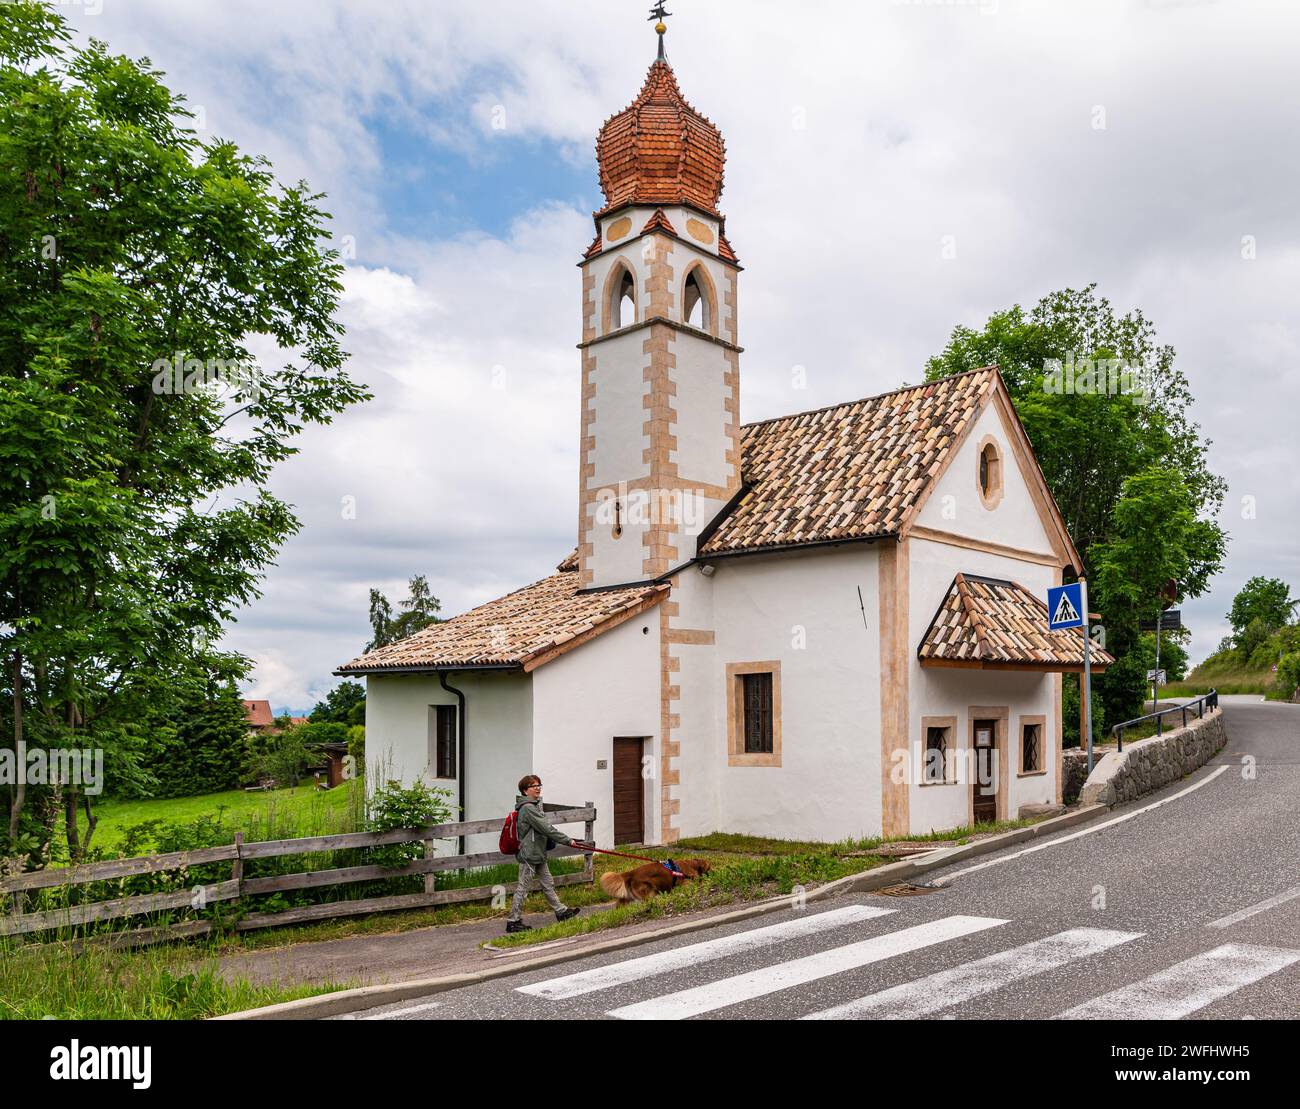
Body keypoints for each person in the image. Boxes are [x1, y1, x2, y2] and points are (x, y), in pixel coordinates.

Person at [505, 774, 591, 933]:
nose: (538, 788)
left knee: (548, 883)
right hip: (529, 855)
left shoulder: (532, 807)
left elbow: (542, 831)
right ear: (525, 791)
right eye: (533, 786)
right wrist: (567, 840)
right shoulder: (529, 808)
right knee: (523, 887)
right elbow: (547, 828)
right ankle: (513, 921)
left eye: (539, 785)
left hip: (538, 853)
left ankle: (561, 912)